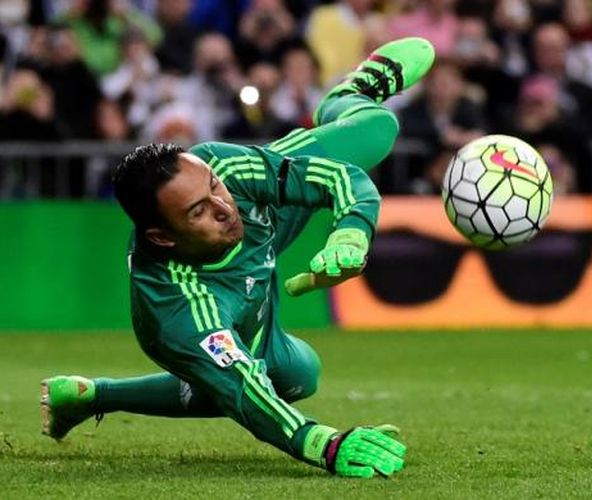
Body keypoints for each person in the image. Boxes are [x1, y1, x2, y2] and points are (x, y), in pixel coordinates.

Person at [39, 37, 436, 479]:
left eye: (212, 187)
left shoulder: (225, 169)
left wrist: (351, 232)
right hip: (225, 302)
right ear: (162, 237)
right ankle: (94, 395)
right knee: (290, 377)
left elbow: (341, 178)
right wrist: (323, 443)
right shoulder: (178, 309)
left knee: (378, 127)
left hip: (268, 219)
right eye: (198, 211)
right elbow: (245, 388)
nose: (223, 207)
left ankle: (346, 96)